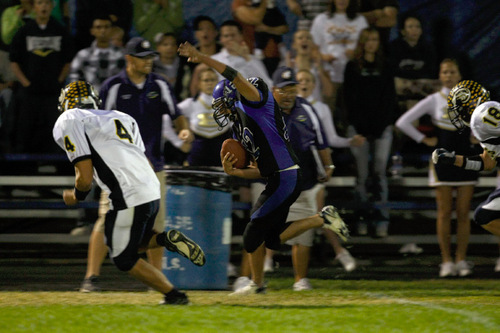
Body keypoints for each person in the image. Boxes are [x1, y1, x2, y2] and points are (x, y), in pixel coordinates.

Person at [178, 41, 350, 295]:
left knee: (252, 235)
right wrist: (235, 172)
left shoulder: (254, 101)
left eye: (222, 105)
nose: (221, 111)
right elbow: (260, 168)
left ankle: (256, 284)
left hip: (286, 175)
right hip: (277, 177)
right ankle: (320, 219)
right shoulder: (239, 126)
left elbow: (233, 75)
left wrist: (202, 57)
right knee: (270, 238)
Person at [53, 80, 205, 305]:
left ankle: (175, 296)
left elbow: (84, 177)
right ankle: (166, 240)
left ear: (67, 103)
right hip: (150, 188)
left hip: (127, 192)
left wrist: (76, 196)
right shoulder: (122, 117)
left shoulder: (70, 118)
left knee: (124, 258)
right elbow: (143, 160)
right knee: (129, 241)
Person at [79, 37, 194, 292]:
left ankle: (157, 283)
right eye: (143, 57)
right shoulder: (113, 87)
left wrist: (183, 131)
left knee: (157, 226)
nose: (149, 61)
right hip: (119, 169)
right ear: (129, 60)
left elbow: (177, 115)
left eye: (150, 56)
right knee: (104, 220)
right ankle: (91, 277)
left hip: (153, 166)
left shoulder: (160, 84)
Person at [396, 59, 479, 277]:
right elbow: (403, 122)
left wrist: (478, 136)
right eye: (445, 72)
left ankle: (461, 259)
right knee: (444, 213)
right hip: (442, 159)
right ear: (440, 76)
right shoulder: (434, 99)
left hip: (466, 158)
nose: (449, 75)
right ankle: (446, 261)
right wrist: (424, 140)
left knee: (463, 212)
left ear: (460, 74)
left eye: (452, 71)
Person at [297, 68, 365, 271]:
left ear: (314, 84)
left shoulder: (322, 109)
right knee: (285, 212)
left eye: (308, 79)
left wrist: (349, 142)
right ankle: (266, 259)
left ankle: (340, 251)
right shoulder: (285, 106)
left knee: (319, 212)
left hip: (313, 167)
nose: (304, 83)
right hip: (291, 166)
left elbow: (330, 139)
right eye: (300, 80)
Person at [343, 27, 396, 237]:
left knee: (380, 173)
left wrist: (382, 124)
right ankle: (362, 219)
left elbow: (389, 98)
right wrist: (360, 128)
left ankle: (382, 221)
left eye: (375, 39)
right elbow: (349, 100)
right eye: (368, 39)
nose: (372, 43)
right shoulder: (352, 67)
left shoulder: (386, 66)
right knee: (362, 176)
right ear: (362, 42)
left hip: (382, 127)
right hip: (359, 128)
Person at [433, 80, 500, 240]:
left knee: (485, 215)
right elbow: (487, 163)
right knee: (485, 215)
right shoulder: (489, 112)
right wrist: (454, 160)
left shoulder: (482, 120)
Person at [9, 0, 72, 153]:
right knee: (25, 126)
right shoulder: (24, 31)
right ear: (34, 7)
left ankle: (55, 161)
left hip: (53, 90)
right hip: (29, 90)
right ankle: (23, 162)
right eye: (39, 3)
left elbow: (68, 59)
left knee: (55, 126)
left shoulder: (60, 30)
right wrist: (25, 83)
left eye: (46, 3)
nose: (43, 7)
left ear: (51, 7)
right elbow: (14, 60)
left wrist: (59, 81)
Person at [310, 0, 368, 117]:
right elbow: (313, 49)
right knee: (327, 111)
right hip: (328, 72)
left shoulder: (360, 20)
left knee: (352, 110)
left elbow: (367, 46)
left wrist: (356, 53)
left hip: (353, 72)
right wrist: (323, 57)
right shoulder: (321, 19)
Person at [177, 66, 232, 166]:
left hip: (222, 155)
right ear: (199, 84)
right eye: (206, 80)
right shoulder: (190, 104)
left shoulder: (229, 104)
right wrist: (179, 140)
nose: (209, 83)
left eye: (213, 80)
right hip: (196, 154)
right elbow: (168, 117)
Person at [68, 15, 125, 91]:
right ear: (92, 31)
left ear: (111, 30)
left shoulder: (123, 55)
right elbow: (74, 80)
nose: (103, 30)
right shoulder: (82, 55)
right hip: (91, 100)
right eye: (98, 27)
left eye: (106, 27)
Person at [211, 20, 272, 86]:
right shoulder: (213, 60)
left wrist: (245, 56)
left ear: (241, 36)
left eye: (233, 35)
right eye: (226, 36)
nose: (230, 39)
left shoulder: (252, 59)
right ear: (221, 39)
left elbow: (267, 83)